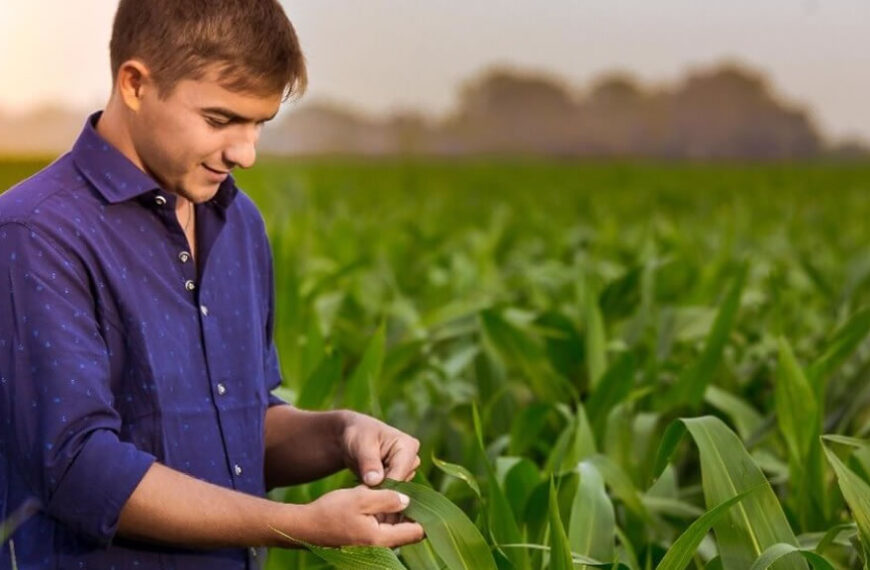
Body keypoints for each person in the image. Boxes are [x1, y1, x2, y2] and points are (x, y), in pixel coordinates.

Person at [0, 0, 425, 567]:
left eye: (259, 124)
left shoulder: (239, 222)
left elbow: (240, 422)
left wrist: (340, 434)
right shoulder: (34, 233)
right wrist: (299, 525)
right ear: (134, 83)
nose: (244, 153)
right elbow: (78, 468)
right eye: (221, 120)